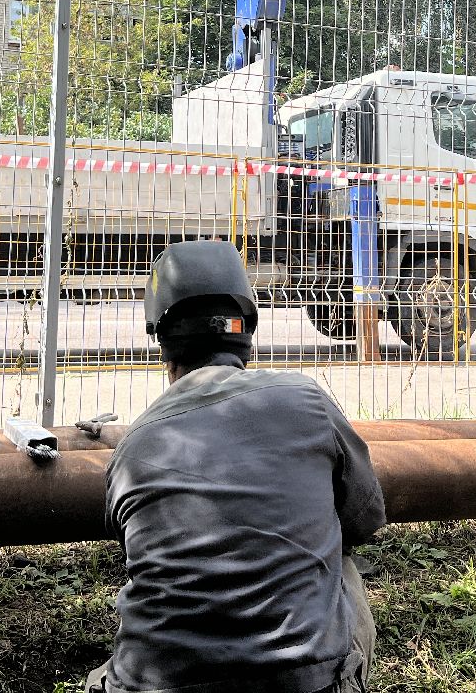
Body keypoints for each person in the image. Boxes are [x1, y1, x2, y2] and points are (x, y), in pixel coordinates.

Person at [87, 240, 386, 693]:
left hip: (153, 684)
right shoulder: (306, 400)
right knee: (338, 556)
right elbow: (363, 519)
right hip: (305, 682)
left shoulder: (132, 447)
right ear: (247, 326)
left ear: (161, 340)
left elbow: (134, 551)